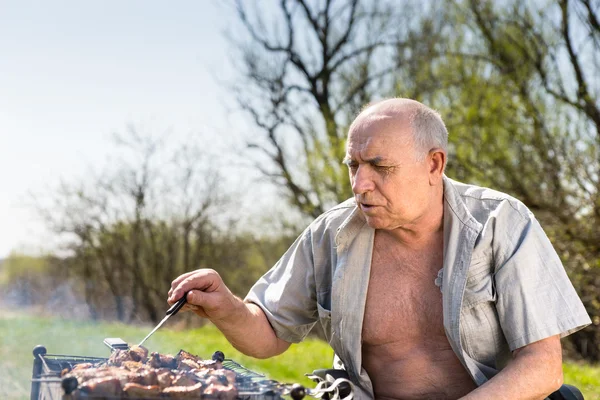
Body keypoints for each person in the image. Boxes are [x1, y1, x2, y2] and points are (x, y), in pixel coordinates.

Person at [168, 98, 591, 399]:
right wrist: (227, 307)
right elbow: (269, 334)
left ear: (433, 165)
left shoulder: (501, 221)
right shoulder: (330, 234)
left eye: (380, 168)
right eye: (354, 166)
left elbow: (542, 365)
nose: (359, 185)